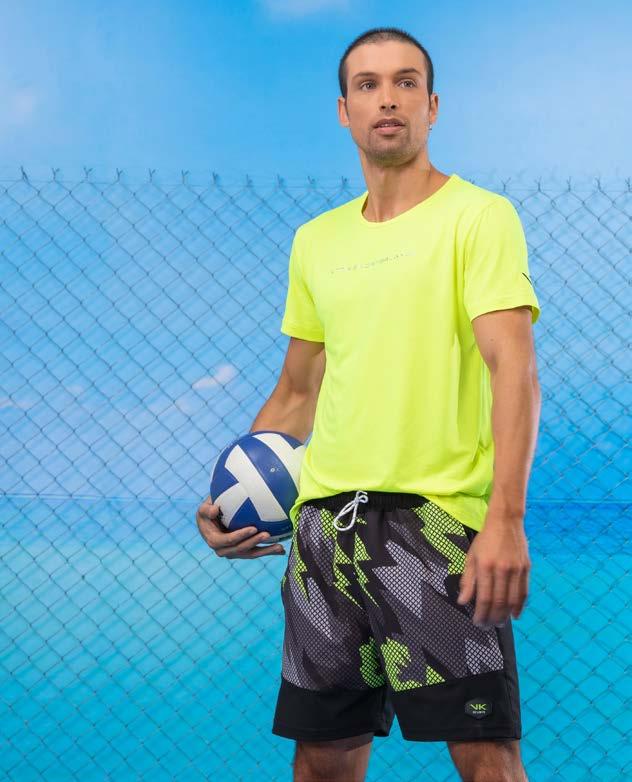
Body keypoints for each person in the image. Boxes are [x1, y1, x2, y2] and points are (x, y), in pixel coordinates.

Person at [196, 26, 541, 782]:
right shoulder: (316, 241)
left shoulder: (478, 217)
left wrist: (505, 519)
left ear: (432, 106)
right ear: (344, 110)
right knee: (321, 759)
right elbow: (297, 391)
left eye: (406, 82)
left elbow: (513, 368)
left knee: (485, 757)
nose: (388, 98)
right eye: (368, 84)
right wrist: (228, 496)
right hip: (324, 534)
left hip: (436, 527)